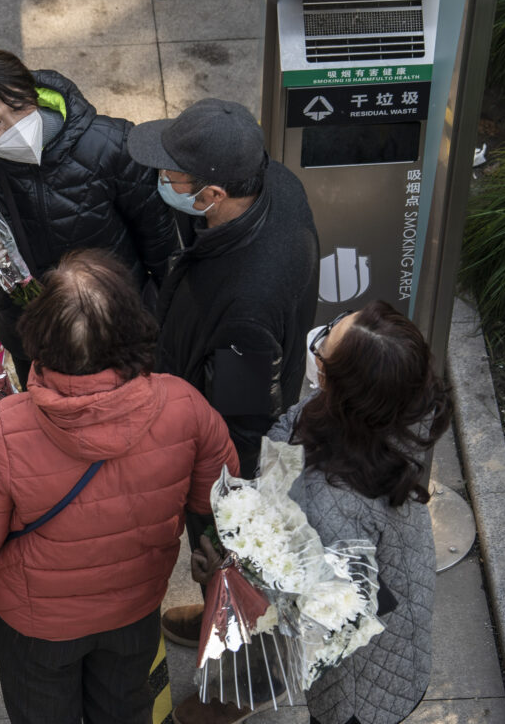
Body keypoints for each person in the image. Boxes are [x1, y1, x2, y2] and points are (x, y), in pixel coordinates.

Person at [0, 249, 239, 724]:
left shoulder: (4, 429)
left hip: (35, 625)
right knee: (127, 708)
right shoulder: (186, 406)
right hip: (136, 606)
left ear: (39, 338)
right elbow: (223, 506)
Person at [175, 300, 451, 724]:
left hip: (362, 686)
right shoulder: (398, 411)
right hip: (397, 626)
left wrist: (225, 576)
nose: (319, 342)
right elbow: (288, 441)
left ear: (333, 381)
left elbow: (308, 613)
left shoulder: (334, 503)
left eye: (324, 345)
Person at [126, 97, 320, 647]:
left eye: (171, 175)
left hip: (224, 455)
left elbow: (238, 419)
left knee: (227, 558)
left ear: (212, 195)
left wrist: (217, 507)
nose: (161, 181)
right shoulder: (276, 183)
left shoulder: (246, 303)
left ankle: (240, 660)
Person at [0, 45, 178, 387]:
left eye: (20, 107)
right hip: (33, 332)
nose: (16, 127)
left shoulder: (111, 145)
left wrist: (167, 318)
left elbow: (160, 242)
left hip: (117, 320)